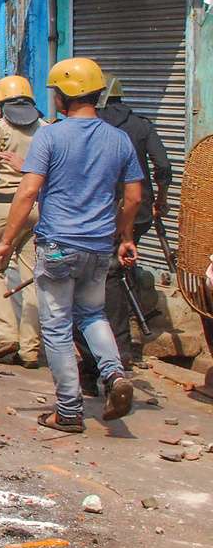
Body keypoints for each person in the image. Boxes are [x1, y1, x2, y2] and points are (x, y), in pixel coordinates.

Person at [0, 57, 142, 433]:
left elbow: (27, 191)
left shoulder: (51, 136)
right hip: (98, 247)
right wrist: (124, 236)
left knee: (57, 326)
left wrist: (7, 241)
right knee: (93, 315)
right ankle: (113, 373)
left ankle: (70, 410)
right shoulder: (118, 138)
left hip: (58, 244)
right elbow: (135, 197)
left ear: (63, 95)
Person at [95, 72, 173, 366]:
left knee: (106, 276)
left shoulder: (94, 126)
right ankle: (129, 338)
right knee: (124, 269)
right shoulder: (141, 125)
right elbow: (163, 166)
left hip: (101, 209)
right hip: (137, 210)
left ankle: (114, 343)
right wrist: (161, 199)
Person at [0, 75, 44, 367]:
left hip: (5, 206)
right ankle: (30, 349)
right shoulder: (47, 128)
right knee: (31, 276)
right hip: (38, 207)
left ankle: (6, 334)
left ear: (0, 106)